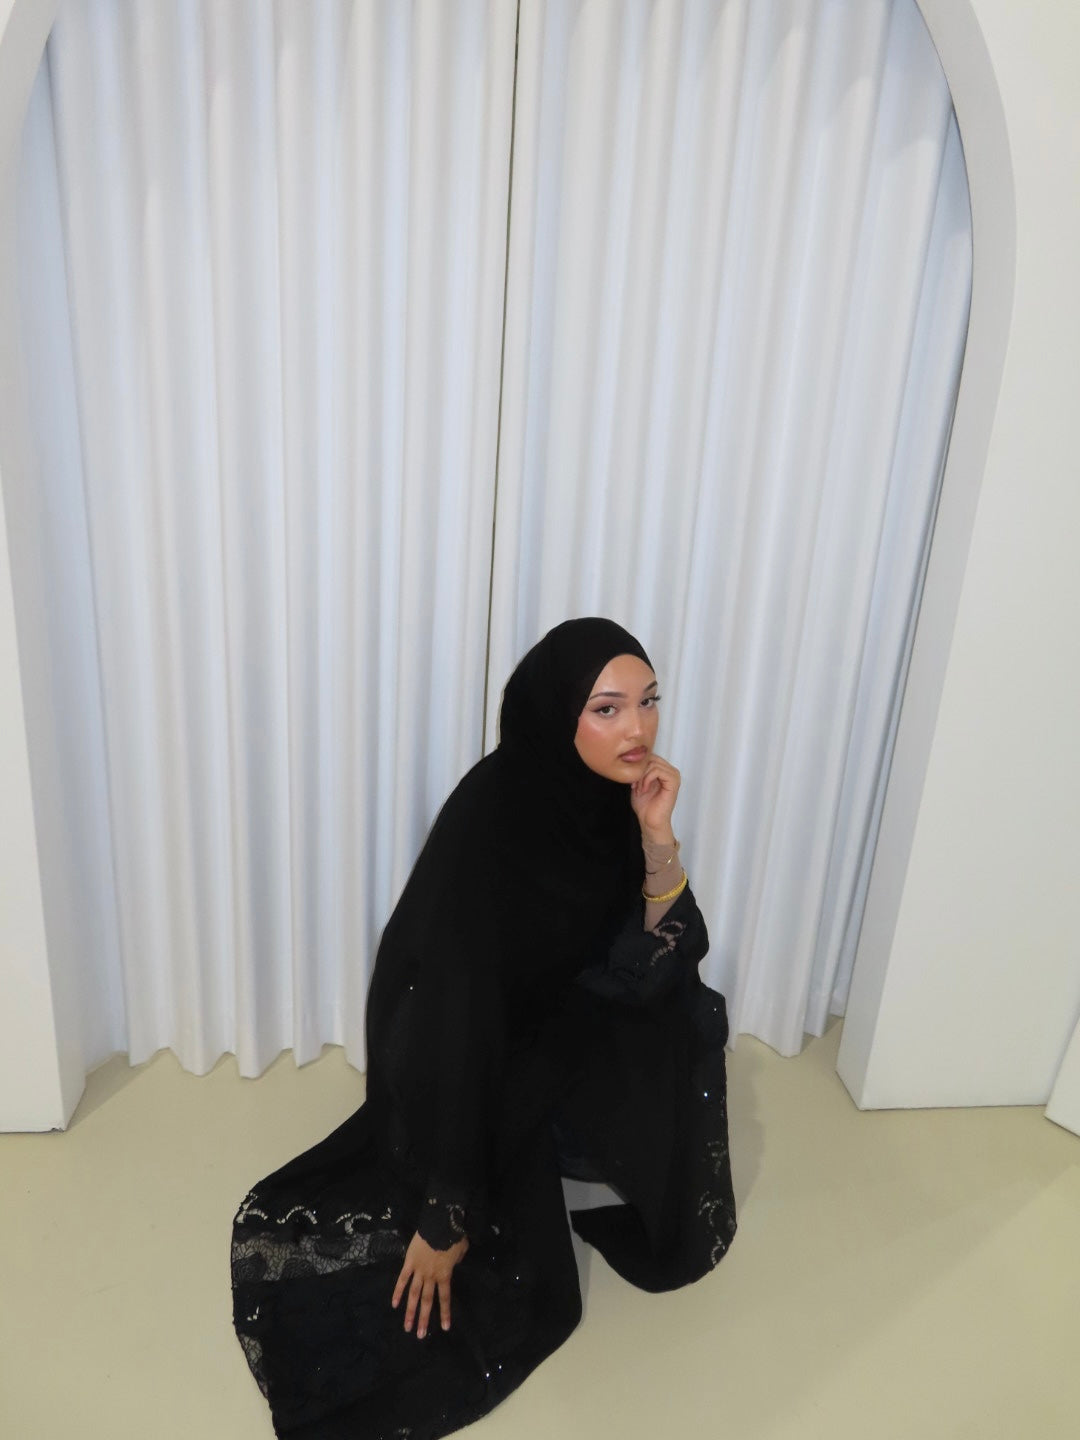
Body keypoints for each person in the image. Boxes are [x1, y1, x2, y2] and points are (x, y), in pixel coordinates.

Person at [231, 618, 736, 1439]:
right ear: (557, 714)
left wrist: (657, 837)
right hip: (457, 1048)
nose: (638, 729)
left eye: (648, 702)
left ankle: (585, 1144)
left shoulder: (610, 796)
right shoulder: (495, 825)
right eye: (607, 709)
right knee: (528, 1296)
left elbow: (665, 939)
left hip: (543, 1013)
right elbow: (454, 1022)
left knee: (680, 1007)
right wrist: (446, 1212)